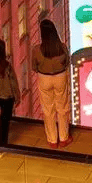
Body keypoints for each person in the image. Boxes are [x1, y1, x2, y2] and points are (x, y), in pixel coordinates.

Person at [33, 19, 72, 148]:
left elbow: (34, 67)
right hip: (60, 77)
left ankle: (52, 140)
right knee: (62, 108)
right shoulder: (62, 47)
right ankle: (64, 138)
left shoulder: (37, 49)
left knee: (48, 110)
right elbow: (67, 62)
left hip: (44, 78)